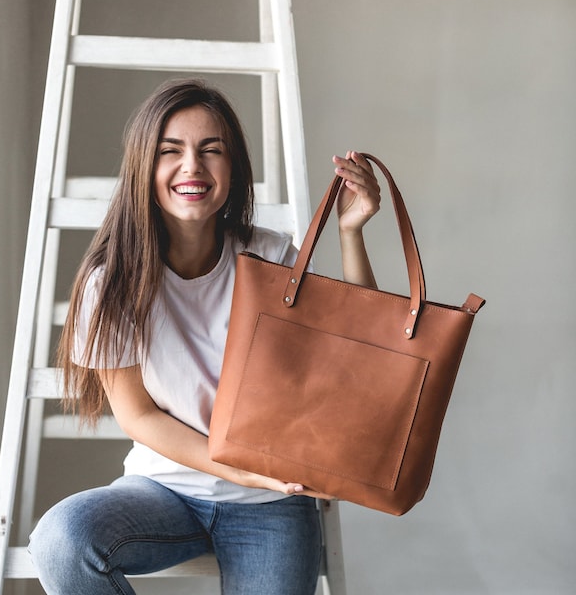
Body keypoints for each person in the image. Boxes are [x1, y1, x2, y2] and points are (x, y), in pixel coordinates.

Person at [28, 79, 380, 595]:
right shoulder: (110, 282)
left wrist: (352, 232)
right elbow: (139, 416)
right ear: (144, 168)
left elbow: (360, 350)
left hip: (272, 504)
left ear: (232, 169)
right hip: (163, 489)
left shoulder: (270, 256)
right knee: (61, 539)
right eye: (171, 151)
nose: (191, 166)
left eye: (210, 150)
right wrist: (242, 472)